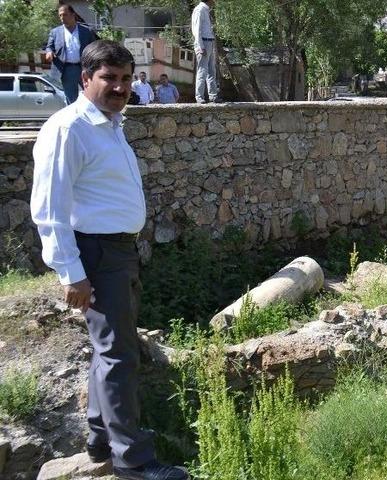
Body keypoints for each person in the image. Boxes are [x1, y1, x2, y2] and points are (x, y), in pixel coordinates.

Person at [30, 40, 187, 480]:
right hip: (96, 252)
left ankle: (102, 436)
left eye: (124, 78)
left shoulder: (109, 122)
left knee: (112, 349)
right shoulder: (69, 128)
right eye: (108, 79)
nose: (119, 87)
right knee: (119, 355)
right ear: (85, 80)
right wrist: (71, 272)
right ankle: (133, 462)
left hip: (117, 249)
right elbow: (49, 208)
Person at [45, 3, 98, 104]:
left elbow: (95, 48)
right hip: (66, 69)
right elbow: (49, 47)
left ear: (73, 14)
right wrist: (49, 52)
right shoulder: (55, 32)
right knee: (71, 99)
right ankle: (75, 118)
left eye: (64, 14)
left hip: (84, 68)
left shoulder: (86, 31)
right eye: (60, 15)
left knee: (92, 95)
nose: (62, 18)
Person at [191, 0, 220, 103]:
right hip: (203, 42)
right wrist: (200, 46)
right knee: (202, 70)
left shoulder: (206, 10)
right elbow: (196, 29)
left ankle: (213, 96)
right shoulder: (199, 10)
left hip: (210, 41)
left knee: (212, 70)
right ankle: (199, 97)